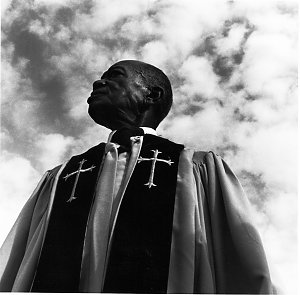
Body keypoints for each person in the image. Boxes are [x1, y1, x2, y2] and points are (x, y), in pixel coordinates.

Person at [0, 60, 274, 293]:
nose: (98, 83)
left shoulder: (196, 169)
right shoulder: (61, 178)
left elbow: (243, 270)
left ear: (152, 95)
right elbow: (12, 269)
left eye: (114, 76)